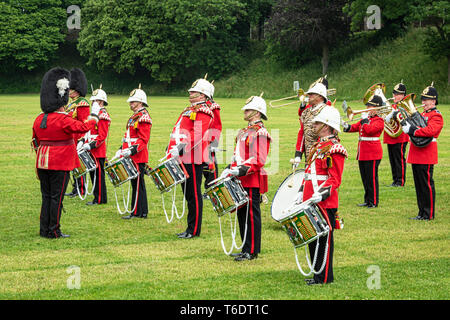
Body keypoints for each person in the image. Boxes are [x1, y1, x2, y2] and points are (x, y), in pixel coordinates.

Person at [32, 67, 99, 238]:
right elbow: (83, 128)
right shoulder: (63, 119)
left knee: (46, 196)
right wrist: (95, 116)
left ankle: (43, 229)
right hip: (59, 161)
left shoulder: (39, 119)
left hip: (42, 161)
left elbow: (35, 142)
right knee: (57, 197)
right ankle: (53, 230)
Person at [295, 105, 347, 285]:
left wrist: (321, 195)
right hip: (311, 200)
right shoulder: (319, 147)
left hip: (324, 202)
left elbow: (335, 179)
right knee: (313, 238)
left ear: (326, 125)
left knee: (324, 241)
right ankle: (317, 273)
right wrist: (301, 194)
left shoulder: (335, 148)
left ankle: (324, 277)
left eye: (317, 122)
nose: (313, 125)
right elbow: (309, 173)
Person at [219, 94, 271, 261]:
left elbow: (259, 159)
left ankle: (252, 250)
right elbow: (238, 155)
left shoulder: (261, 132)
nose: (245, 111)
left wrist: (240, 170)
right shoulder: (244, 131)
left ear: (257, 113)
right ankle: (245, 247)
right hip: (239, 178)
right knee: (241, 214)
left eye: (248, 109)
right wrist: (229, 168)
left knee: (251, 215)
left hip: (251, 179)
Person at [167, 77, 214, 239]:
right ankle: (190, 227)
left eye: (194, 92)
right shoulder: (190, 109)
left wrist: (180, 149)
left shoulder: (204, 111)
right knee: (188, 194)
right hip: (182, 156)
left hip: (192, 157)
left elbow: (197, 135)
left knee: (193, 195)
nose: (190, 93)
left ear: (203, 95)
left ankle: (194, 230)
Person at [401, 84, 443, 220]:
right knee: (419, 185)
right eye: (423, 99)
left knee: (426, 185)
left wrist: (413, 130)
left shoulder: (436, 116)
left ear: (434, 101)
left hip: (427, 153)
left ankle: (428, 213)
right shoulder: (422, 114)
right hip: (416, 152)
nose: (423, 102)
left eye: (426, 99)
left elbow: (432, 131)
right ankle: (421, 212)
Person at [342, 95, 384, 208]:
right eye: (367, 106)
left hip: (373, 152)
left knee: (372, 179)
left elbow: (370, 131)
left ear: (377, 108)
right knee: (365, 178)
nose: (367, 108)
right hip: (363, 152)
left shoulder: (379, 120)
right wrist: (344, 125)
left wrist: (365, 120)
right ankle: (367, 200)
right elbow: (354, 128)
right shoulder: (367, 119)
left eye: (370, 107)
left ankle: (373, 201)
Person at [118, 85, 152, 219]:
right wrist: (121, 148)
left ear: (141, 102)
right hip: (131, 153)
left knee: (138, 184)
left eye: (133, 102)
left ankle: (138, 212)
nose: (131, 104)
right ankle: (141, 211)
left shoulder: (143, 117)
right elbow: (128, 136)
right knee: (136, 183)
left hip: (137, 155)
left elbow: (143, 139)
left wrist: (131, 150)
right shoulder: (135, 116)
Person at [81, 85, 111, 205]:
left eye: (95, 100)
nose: (93, 102)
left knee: (98, 176)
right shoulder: (94, 114)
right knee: (93, 174)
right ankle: (98, 197)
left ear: (101, 101)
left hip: (97, 150)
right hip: (90, 148)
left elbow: (102, 136)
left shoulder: (102, 115)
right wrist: (83, 141)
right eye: (92, 100)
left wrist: (91, 145)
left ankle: (99, 199)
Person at [64, 68, 91, 197]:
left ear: (77, 89)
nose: (69, 91)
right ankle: (75, 187)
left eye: (71, 88)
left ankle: (81, 189)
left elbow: (84, 123)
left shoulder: (82, 103)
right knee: (72, 164)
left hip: (78, 138)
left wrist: (82, 140)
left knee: (79, 164)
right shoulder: (70, 104)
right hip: (70, 138)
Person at [294, 78, 330, 167]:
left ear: (320, 96)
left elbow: (330, 135)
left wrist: (318, 151)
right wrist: (298, 154)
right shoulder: (306, 112)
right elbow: (303, 133)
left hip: (322, 154)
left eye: (312, 94)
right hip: (308, 155)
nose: (308, 96)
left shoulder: (327, 111)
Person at [384, 82, 409, 187]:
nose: (394, 96)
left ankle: (400, 181)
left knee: (399, 159)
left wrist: (395, 113)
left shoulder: (406, 105)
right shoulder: (392, 105)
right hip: (391, 136)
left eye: (397, 94)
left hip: (401, 136)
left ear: (403, 95)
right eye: (394, 93)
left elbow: (406, 117)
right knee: (392, 159)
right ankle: (395, 180)